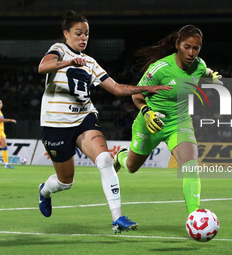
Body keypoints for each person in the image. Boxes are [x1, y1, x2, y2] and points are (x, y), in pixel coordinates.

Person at [37, 10, 171, 233]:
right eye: (78, 33)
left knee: (105, 160)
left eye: (87, 34)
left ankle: (118, 218)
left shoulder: (90, 62)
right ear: (66, 34)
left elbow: (117, 89)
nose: (83, 38)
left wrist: (147, 88)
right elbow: (43, 67)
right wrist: (69, 61)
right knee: (65, 182)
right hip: (55, 124)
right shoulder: (59, 50)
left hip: (83, 118)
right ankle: (45, 191)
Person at [113, 25, 222, 216]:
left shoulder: (199, 65)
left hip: (179, 123)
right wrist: (147, 112)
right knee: (131, 167)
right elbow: (137, 95)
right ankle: (119, 156)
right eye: (187, 47)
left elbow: (204, 71)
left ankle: (195, 215)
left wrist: (212, 76)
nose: (191, 52)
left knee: (190, 166)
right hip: (150, 124)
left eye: (196, 48)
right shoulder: (159, 69)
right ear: (178, 45)